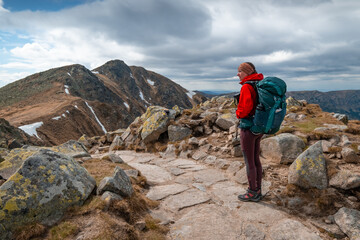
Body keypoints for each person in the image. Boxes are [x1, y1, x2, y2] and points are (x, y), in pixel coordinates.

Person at [236, 62, 264, 202]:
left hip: (248, 128)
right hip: (259, 127)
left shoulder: (247, 86)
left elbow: (245, 109)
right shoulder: (258, 83)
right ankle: (258, 189)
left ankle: (252, 192)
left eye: (240, 71)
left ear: (246, 72)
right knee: (256, 159)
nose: (238, 74)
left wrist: (238, 113)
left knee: (249, 162)